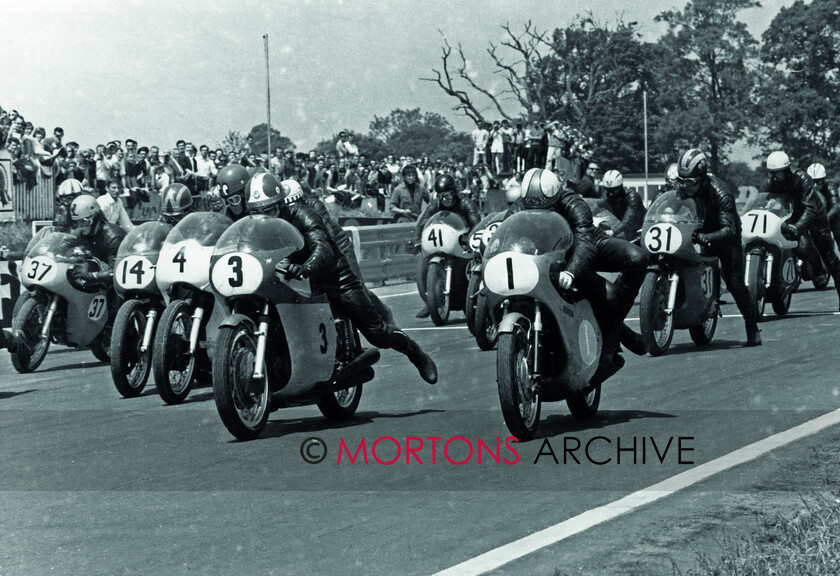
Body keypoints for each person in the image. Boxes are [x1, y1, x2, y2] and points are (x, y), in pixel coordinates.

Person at [244, 173, 438, 385]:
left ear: (281, 205)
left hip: (333, 276)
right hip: (290, 280)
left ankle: (415, 352)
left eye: (269, 210)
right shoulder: (255, 226)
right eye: (256, 212)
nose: (265, 217)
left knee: (377, 333)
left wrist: (305, 267)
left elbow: (322, 246)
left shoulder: (303, 214)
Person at [517, 169, 645, 385]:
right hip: (549, 257)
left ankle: (610, 341)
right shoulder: (522, 204)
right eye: (532, 204)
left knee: (635, 260)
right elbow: (507, 229)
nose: (536, 209)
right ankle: (626, 335)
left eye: (543, 204)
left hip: (581, 248)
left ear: (555, 196)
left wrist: (572, 272)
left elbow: (585, 243)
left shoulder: (573, 203)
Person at [676, 149, 760, 345]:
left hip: (723, 236)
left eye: (689, 182)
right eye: (681, 180)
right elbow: (672, 206)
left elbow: (730, 229)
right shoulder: (682, 186)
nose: (684, 186)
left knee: (734, 282)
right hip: (696, 230)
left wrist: (707, 237)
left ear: (701, 177)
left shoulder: (721, 191)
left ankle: (752, 327)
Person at [761, 151, 840, 309]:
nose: (778, 177)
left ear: (788, 169)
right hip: (790, 215)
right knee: (799, 247)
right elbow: (762, 204)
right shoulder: (768, 183)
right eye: (774, 174)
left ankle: (821, 271)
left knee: (829, 256)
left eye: (781, 173)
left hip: (815, 214)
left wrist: (796, 228)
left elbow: (810, 209)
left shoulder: (802, 178)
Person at [409, 173, 482, 319]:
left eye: (448, 196)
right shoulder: (435, 204)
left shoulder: (465, 203)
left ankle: (475, 297)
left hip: (462, 243)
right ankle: (431, 300)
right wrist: (416, 238)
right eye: (441, 196)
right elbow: (423, 222)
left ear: (454, 194)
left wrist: (469, 237)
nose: (445, 200)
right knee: (425, 261)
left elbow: (476, 223)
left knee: (474, 263)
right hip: (442, 242)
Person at [66, 194, 127, 291]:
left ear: (95, 218)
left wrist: (94, 276)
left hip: (116, 283)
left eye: (83, 222)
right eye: (76, 222)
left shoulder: (113, 237)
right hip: (96, 279)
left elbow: (118, 271)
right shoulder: (81, 233)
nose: (80, 227)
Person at [600, 170, 644, 241]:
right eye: (608, 190)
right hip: (621, 233)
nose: (610, 194)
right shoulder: (607, 198)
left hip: (638, 233)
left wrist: (612, 231)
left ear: (621, 187)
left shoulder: (632, 197)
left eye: (614, 190)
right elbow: (596, 209)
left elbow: (628, 219)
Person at [807, 163, 840, 248]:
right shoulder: (806, 190)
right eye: (812, 182)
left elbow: (836, 206)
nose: (815, 185)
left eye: (819, 182)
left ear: (823, 180)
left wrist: (824, 219)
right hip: (817, 222)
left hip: (833, 218)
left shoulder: (831, 187)